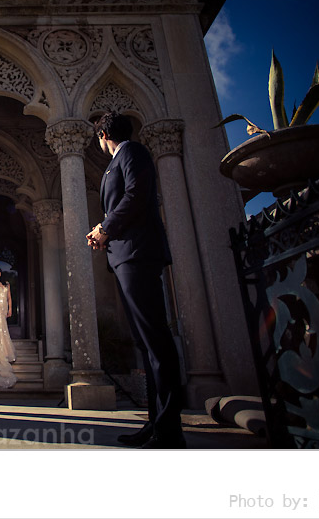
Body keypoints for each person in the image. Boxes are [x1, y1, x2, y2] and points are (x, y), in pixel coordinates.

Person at [86, 111, 185, 449]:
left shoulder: (132, 152)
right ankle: (156, 423)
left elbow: (136, 195)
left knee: (156, 341)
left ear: (102, 135)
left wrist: (104, 227)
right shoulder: (119, 160)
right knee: (146, 344)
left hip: (137, 254)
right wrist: (106, 232)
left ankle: (169, 430)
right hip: (125, 255)